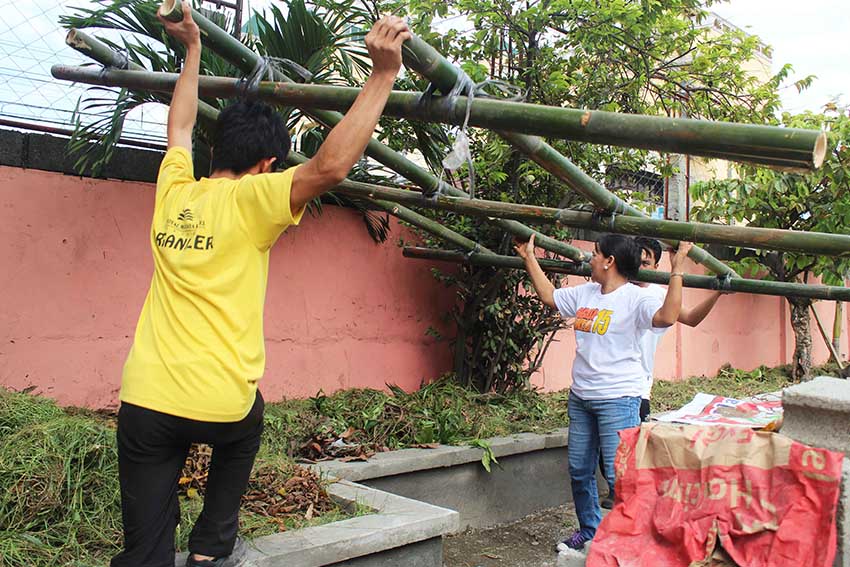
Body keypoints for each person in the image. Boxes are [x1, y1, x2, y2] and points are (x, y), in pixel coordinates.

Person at [111, 4, 411, 567]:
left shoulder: (175, 190)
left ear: (214, 150)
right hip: (222, 401)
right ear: (268, 163)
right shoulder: (254, 201)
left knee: (143, 548)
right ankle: (209, 549)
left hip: (146, 397)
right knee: (245, 429)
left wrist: (192, 48)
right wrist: (383, 75)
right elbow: (328, 168)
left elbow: (178, 126)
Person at [514, 233, 692, 551]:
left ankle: (635, 538)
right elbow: (550, 297)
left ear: (609, 261)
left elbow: (667, 316)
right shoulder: (587, 293)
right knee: (580, 469)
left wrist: (677, 269)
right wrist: (528, 256)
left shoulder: (636, 298)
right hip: (582, 397)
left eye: (595, 254)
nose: (590, 258)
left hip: (619, 398)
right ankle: (590, 530)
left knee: (618, 474)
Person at [633, 237, 725, 422]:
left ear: (656, 266)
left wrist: (718, 293)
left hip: (637, 386)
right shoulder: (617, 288)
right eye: (635, 261)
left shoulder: (658, 294)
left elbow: (691, 318)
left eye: (645, 263)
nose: (639, 268)